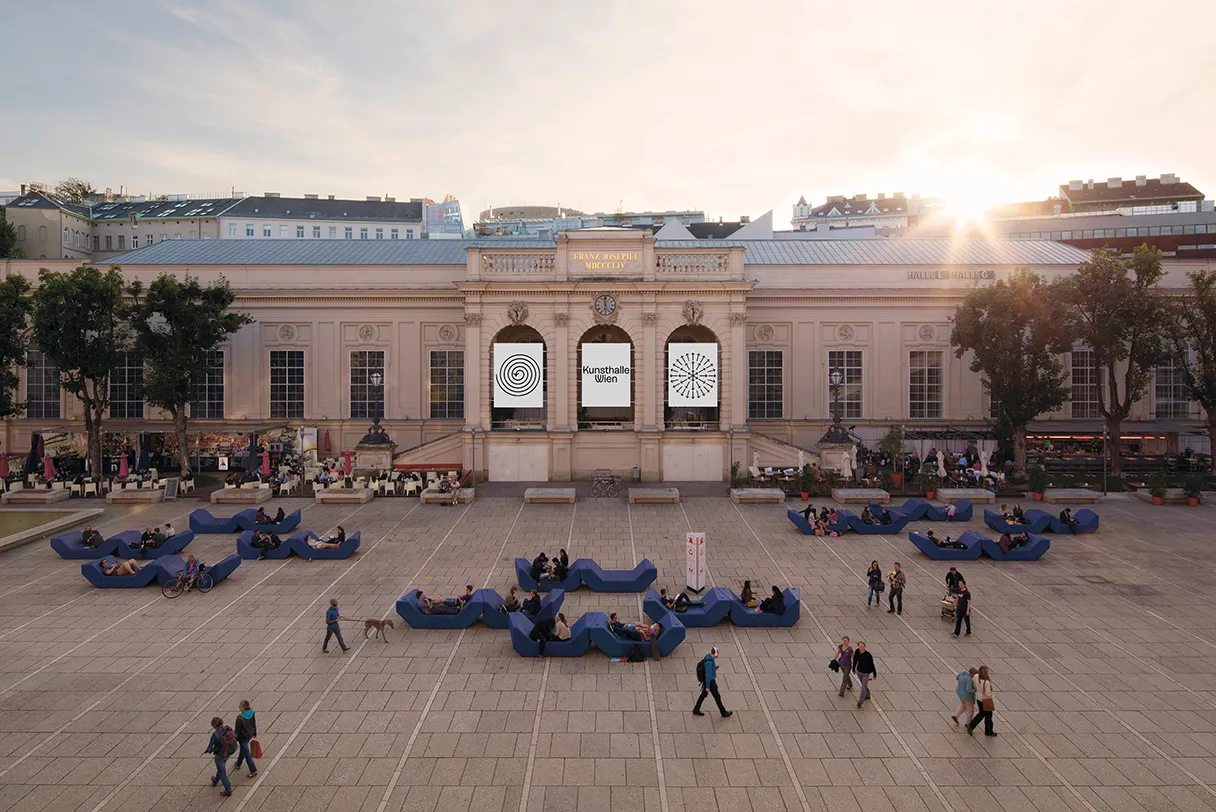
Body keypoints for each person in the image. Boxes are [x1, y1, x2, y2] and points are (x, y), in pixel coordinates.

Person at [693, 647, 732, 717]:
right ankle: (723, 712)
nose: (718, 655)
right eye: (717, 653)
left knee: (703, 695)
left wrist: (714, 668)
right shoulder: (709, 663)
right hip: (710, 682)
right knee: (717, 696)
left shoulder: (708, 656)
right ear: (715, 653)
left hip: (708, 681)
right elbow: (708, 676)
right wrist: (707, 687)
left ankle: (696, 709)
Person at [205, 716, 235, 796]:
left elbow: (210, 748)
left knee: (222, 773)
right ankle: (215, 781)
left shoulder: (215, 735)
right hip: (228, 752)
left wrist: (208, 750)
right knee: (221, 767)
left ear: (214, 726)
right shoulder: (227, 728)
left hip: (220, 755)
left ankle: (228, 790)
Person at [966, 665, 997, 736]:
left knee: (981, 714)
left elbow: (973, 683)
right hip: (986, 700)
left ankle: (971, 726)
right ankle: (988, 731)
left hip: (979, 699)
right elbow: (988, 694)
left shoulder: (976, 676)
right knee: (988, 717)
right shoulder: (986, 682)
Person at [232, 700, 258, 778]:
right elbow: (254, 723)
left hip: (243, 737)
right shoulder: (252, 712)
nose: (239, 708)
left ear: (242, 708)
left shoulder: (240, 718)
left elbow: (237, 731)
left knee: (247, 753)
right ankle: (238, 763)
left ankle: (253, 770)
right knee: (244, 749)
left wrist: (234, 740)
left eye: (239, 706)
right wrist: (254, 732)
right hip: (250, 734)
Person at [852, 641, 877, 708]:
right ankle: (867, 695)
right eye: (860, 646)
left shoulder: (868, 655)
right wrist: (853, 669)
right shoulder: (857, 651)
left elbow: (872, 665)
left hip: (866, 673)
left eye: (862, 646)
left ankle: (860, 702)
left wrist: (874, 674)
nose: (861, 648)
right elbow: (855, 660)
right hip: (859, 671)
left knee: (863, 687)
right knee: (864, 685)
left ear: (864, 647)